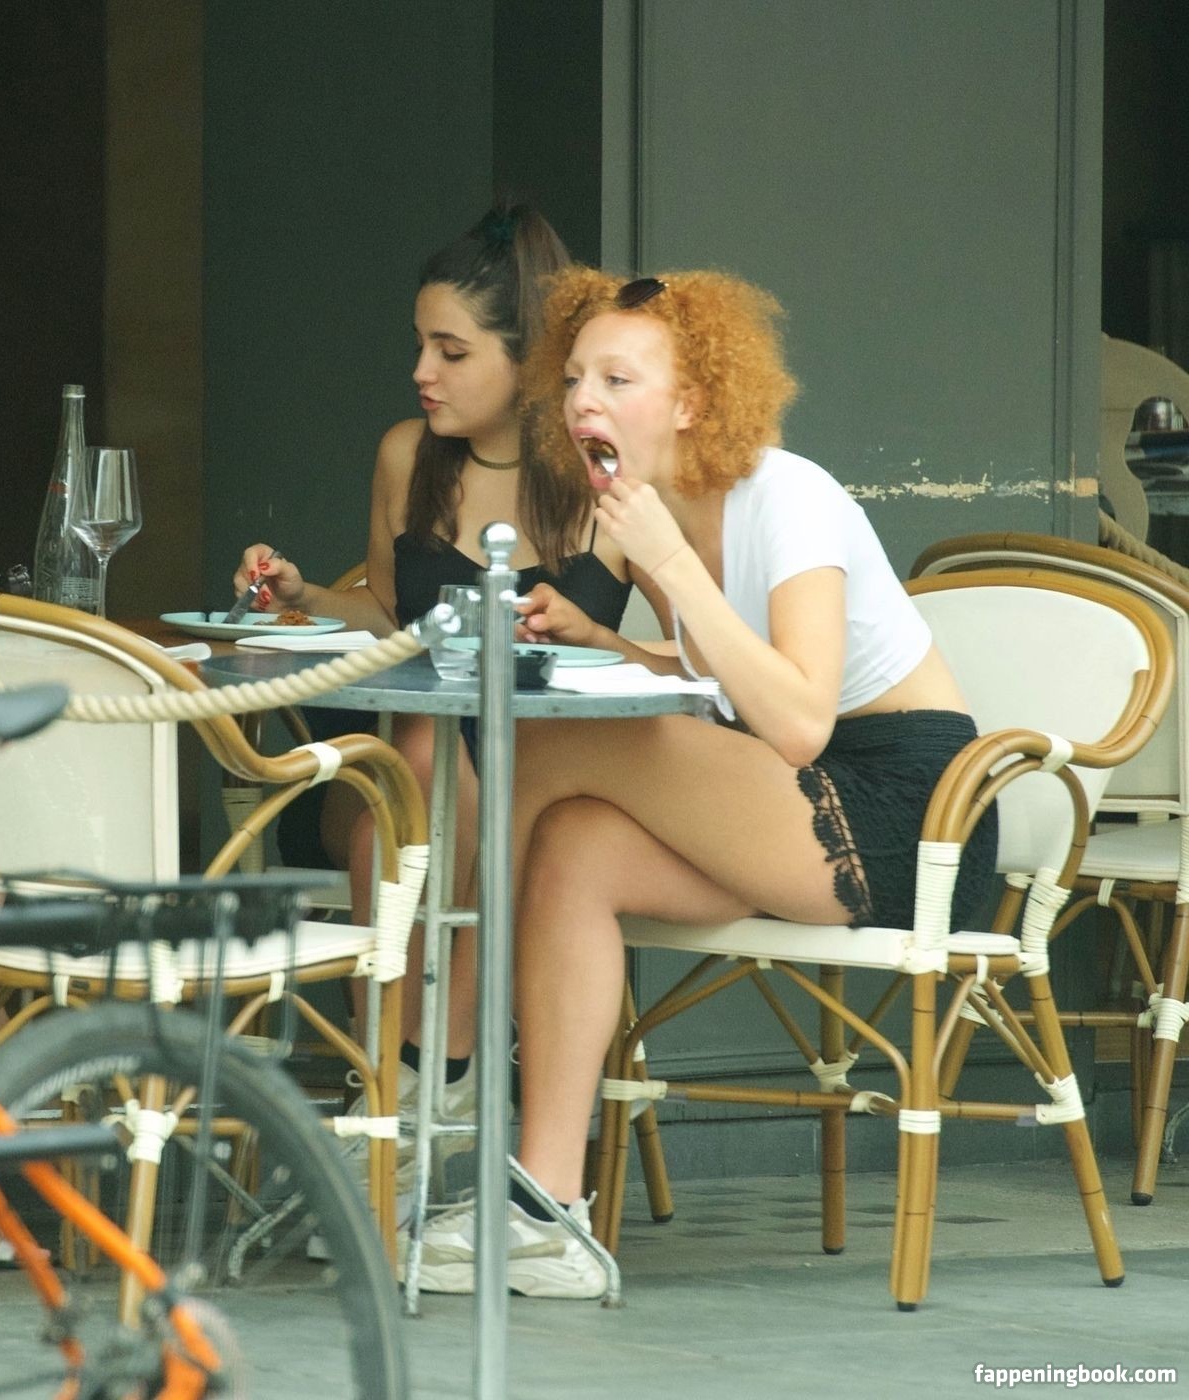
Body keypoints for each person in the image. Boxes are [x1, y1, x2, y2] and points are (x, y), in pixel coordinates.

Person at [410, 266, 998, 1297]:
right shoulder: (656, 509)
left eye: (617, 379)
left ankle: (445, 1056)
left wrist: (668, 567)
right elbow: (718, 681)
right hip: (784, 797)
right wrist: (606, 638)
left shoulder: (788, 495)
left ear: (689, 403)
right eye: (575, 377)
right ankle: (548, 1211)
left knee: (543, 747)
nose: (584, 400)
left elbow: (800, 719)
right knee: (575, 844)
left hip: (905, 813)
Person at [234, 203, 635, 1119]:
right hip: (393, 771)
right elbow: (386, 612)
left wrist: (593, 632)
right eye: (421, 346)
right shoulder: (407, 456)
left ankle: (402, 1092)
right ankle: (427, 1083)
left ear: (529, 359)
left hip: (547, 788)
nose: (422, 372)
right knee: (420, 752)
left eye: (451, 352)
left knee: (437, 778)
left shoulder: (607, 478)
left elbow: (685, 650)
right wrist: (301, 593)